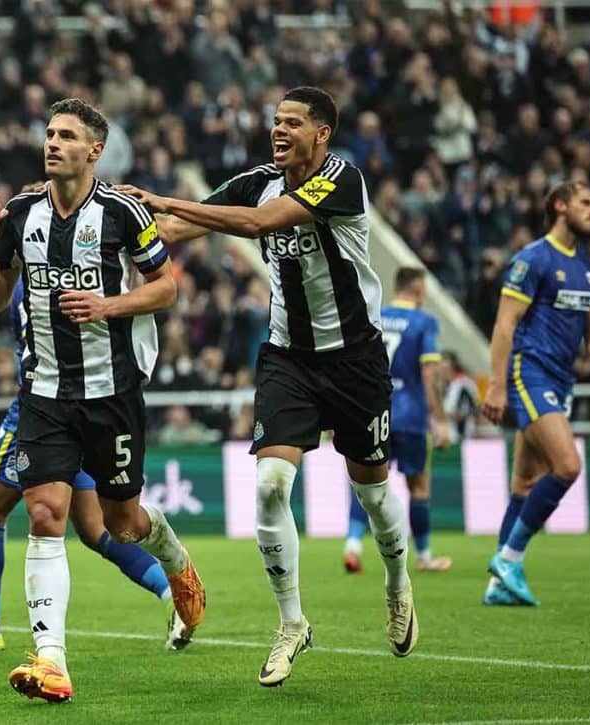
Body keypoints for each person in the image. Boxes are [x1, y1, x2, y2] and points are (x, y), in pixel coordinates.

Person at [120, 86, 417, 687]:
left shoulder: (342, 180)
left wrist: (162, 197)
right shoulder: (257, 180)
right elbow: (176, 229)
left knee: (373, 492)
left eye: (292, 123)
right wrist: (119, 224)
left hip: (356, 360)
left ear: (322, 134)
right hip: (290, 359)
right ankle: (291, 624)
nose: (278, 130)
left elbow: (258, 223)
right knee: (271, 485)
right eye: (275, 121)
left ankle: (397, 582)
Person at [0, 98, 205, 704]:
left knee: (121, 525)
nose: (52, 143)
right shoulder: (20, 213)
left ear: (94, 150)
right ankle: (51, 660)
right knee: (45, 515)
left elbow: (166, 289)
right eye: (49, 133)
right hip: (44, 392)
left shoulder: (123, 213)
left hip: (112, 393)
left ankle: (176, 562)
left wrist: (108, 306)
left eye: (67, 136)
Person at [0, 279, 187, 654]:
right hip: (89, 409)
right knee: (95, 529)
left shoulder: (34, 280)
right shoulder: (80, 274)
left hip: (40, 413)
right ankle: (172, 594)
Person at [481, 181, 590, 606]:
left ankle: (497, 588)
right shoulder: (533, 259)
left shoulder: (589, 268)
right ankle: (509, 559)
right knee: (568, 465)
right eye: (585, 202)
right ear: (560, 205)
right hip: (530, 372)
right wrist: (497, 385)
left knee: (525, 481)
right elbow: (505, 325)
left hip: (561, 380)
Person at [343, 267, 453, 574]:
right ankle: (425, 555)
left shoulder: (375, 315)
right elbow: (429, 374)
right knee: (418, 486)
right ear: (418, 290)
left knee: (367, 482)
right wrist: (439, 420)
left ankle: (352, 546)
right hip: (410, 415)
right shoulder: (424, 322)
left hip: (374, 412)